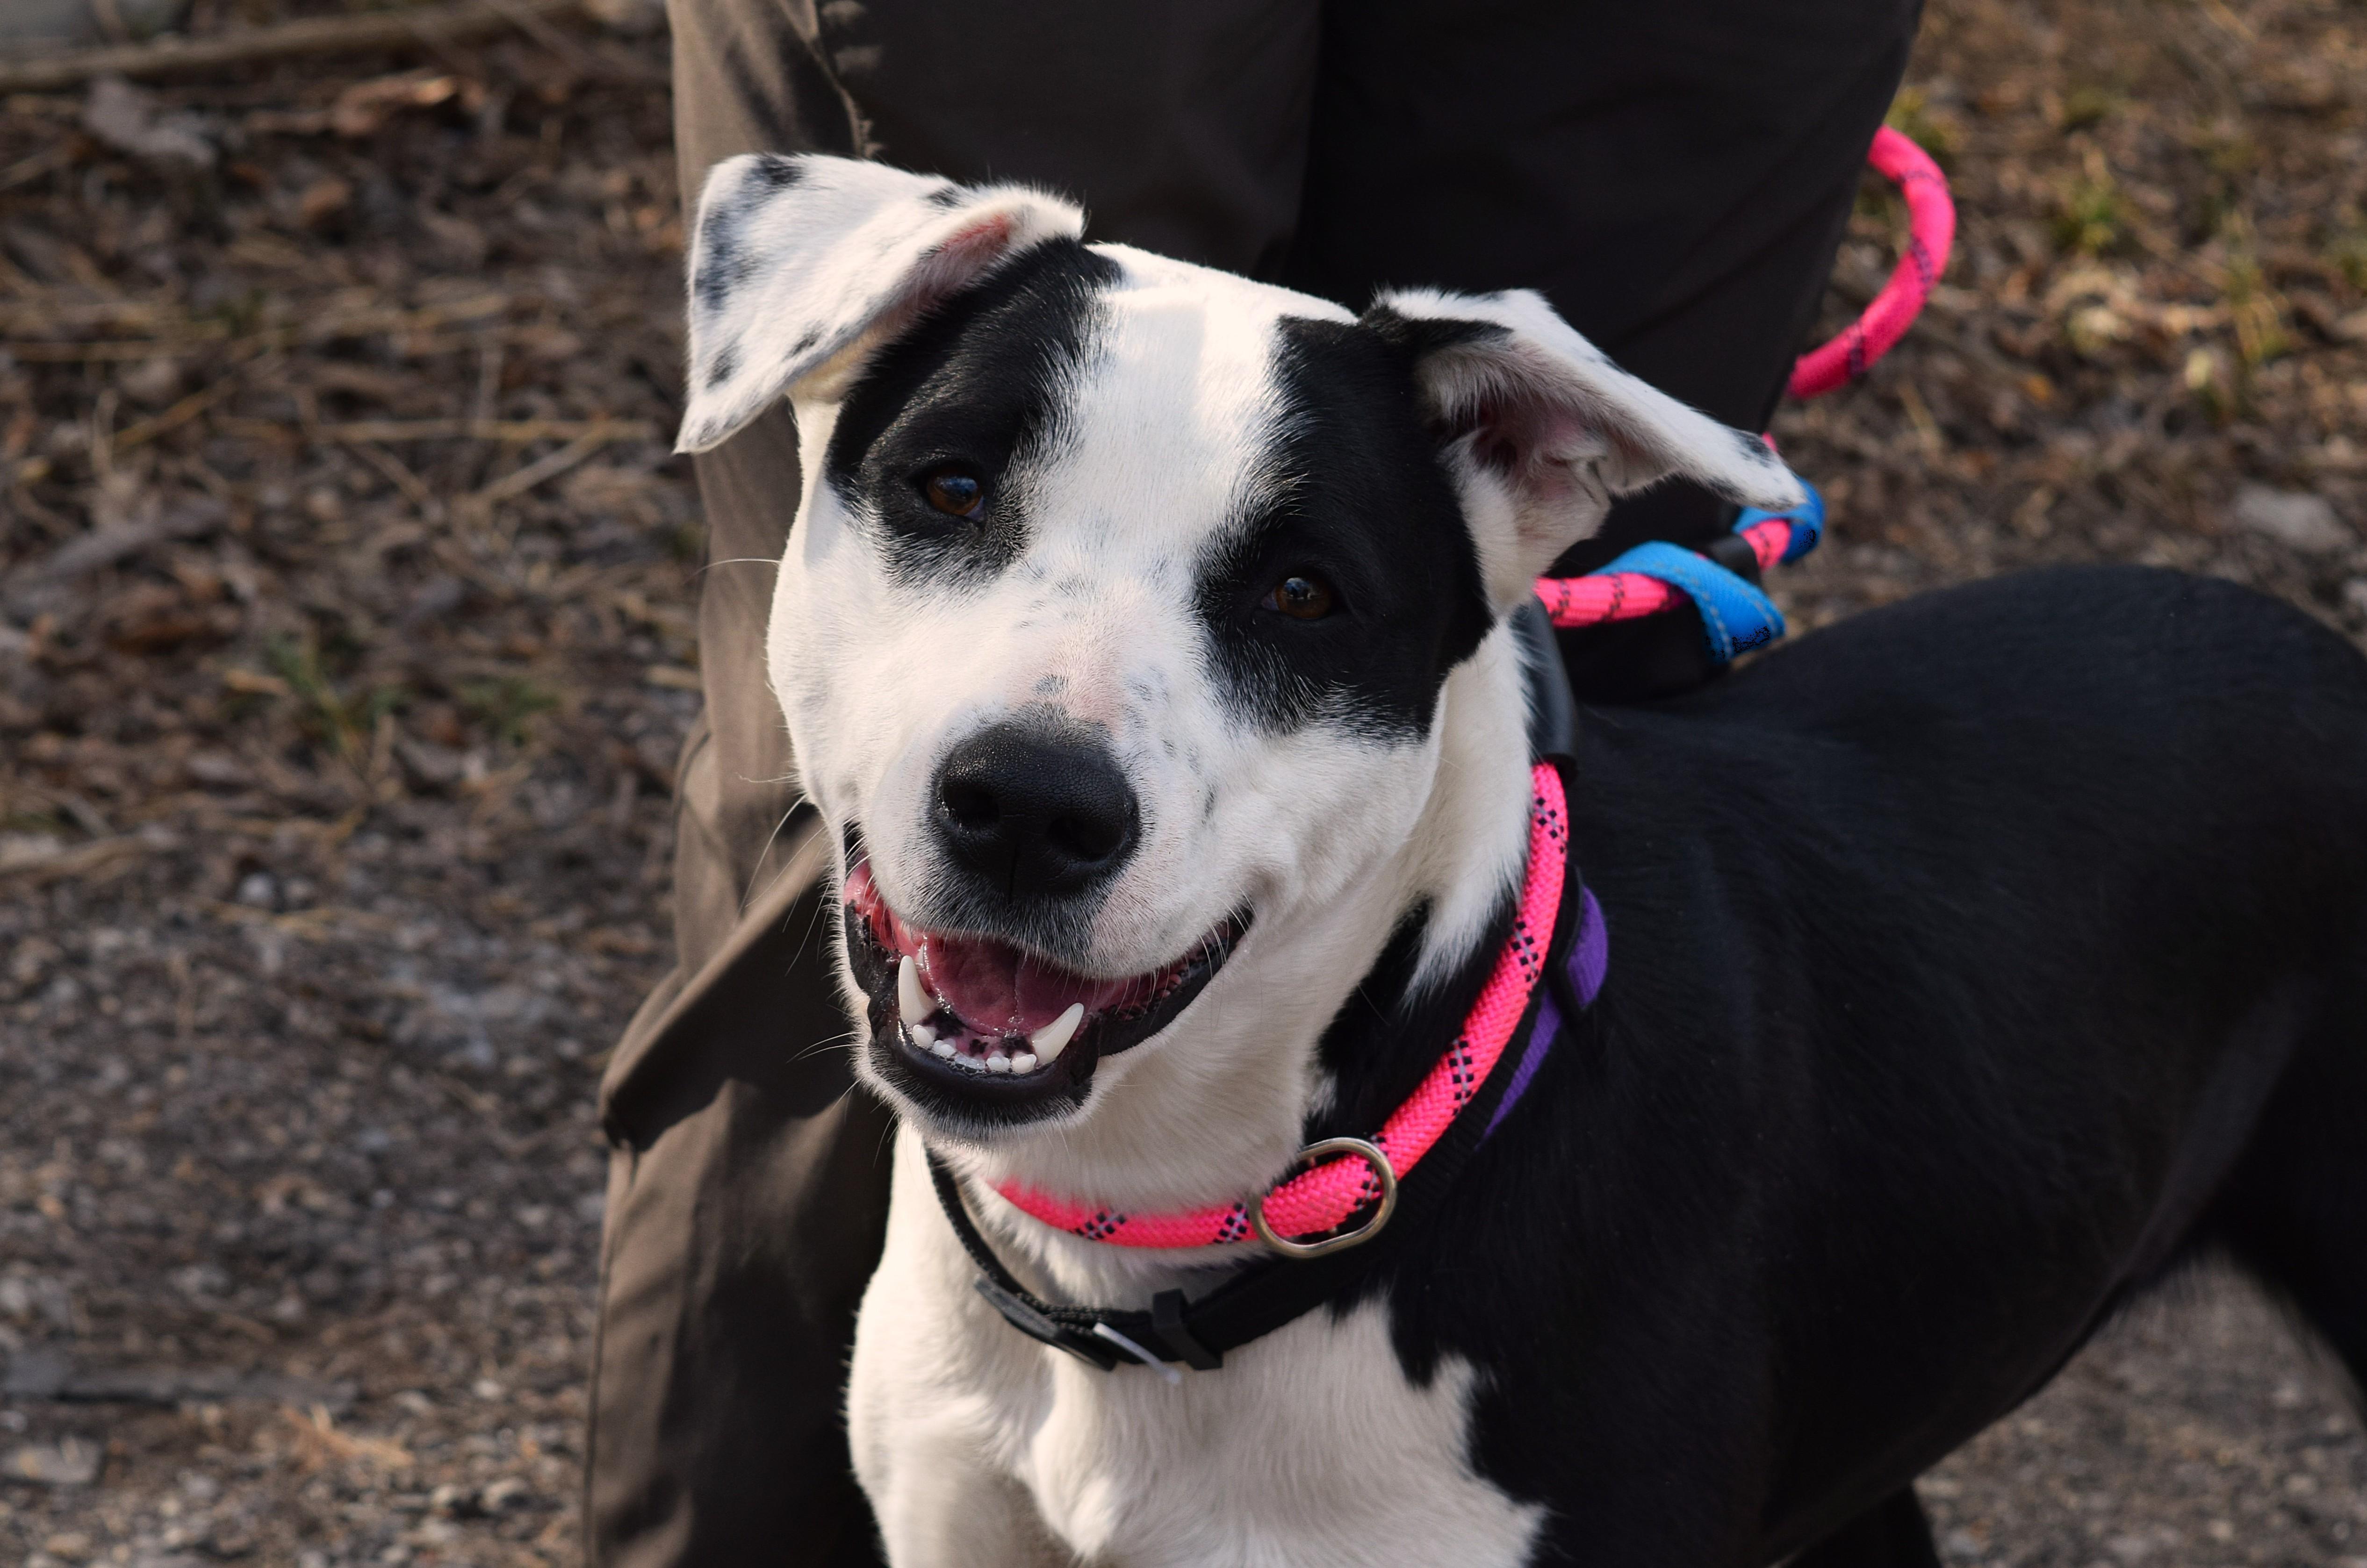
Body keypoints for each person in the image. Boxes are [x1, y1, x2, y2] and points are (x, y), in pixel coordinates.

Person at [587, 3, 1925, 1562]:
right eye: (955, 496)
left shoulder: (1501, 460)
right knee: (811, 894)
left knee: (1594, 785)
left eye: (1294, 603)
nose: (1058, 758)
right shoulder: (905, 288)